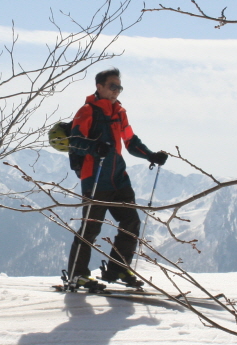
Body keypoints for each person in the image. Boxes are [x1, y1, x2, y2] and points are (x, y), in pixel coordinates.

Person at [66, 68, 167, 291]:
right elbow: (75, 141)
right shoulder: (86, 111)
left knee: (131, 222)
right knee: (91, 228)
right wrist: (95, 147)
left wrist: (151, 155)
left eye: (119, 88)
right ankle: (77, 274)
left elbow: (130, 141)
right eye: (113, 86)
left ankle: (117, 269)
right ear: (99, 86)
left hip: (118, 177)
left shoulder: (119, 112)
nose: (116, 91)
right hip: (95, 177)